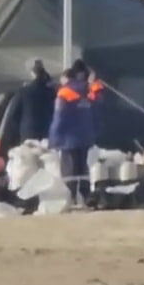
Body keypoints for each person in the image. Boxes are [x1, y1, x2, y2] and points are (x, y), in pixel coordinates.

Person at [49, 69, 97, 205]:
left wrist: (54, 138)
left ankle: (70, 198)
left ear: (65, 78)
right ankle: (86, 197)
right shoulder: (87, 92)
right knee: (82, 168)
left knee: (69, 170)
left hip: (68, 139)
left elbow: (59, 117)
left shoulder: (64, 93)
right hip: (85, 137)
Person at [0, 59, 56, 154]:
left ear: (31, 73)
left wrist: (6, 142)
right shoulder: (52, 92)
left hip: (28, 136)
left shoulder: (23, 92)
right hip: (48, 136)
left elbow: (12, 117)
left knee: (29, 164)